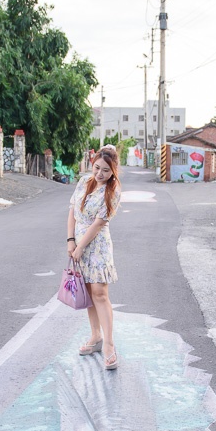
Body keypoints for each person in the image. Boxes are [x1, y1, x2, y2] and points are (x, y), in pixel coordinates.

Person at [67, 144, 122, 370]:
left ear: (113, 172)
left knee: (100, 293)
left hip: (97, 246)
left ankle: (109, 345)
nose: (100, 174)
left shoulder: (113, 191)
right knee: (88, 292)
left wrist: (79, 247)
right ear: (93, 164)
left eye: (105, 171)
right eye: (97, 168)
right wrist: (70, 241)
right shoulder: (83, 182)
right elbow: (72, 211)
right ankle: (95, 336)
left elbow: (99, 223)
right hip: (79, 243)